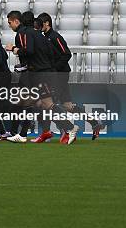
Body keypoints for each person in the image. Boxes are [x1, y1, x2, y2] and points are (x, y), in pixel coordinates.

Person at [5, 11, 79, 144]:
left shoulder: (23, 33)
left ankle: (70, 127)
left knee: (46, 103)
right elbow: (45, 53)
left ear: (17, 21)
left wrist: (14, 49)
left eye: (10, 23)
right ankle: (24, 134)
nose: (9, 26)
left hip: (40, 74)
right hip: (44, 72)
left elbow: (29, 51)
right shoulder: (39, 35)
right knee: (33, 102)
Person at [37, 12, 105, 141]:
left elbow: (66, 54)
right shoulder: (45, 37)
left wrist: (54, 69)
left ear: (47, 23)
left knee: (48, 104)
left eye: (41, 23)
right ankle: (94, 122)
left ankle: (65, 131)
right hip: (57, 74)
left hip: (59, 75)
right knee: (67, 106)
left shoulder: (55, 37)